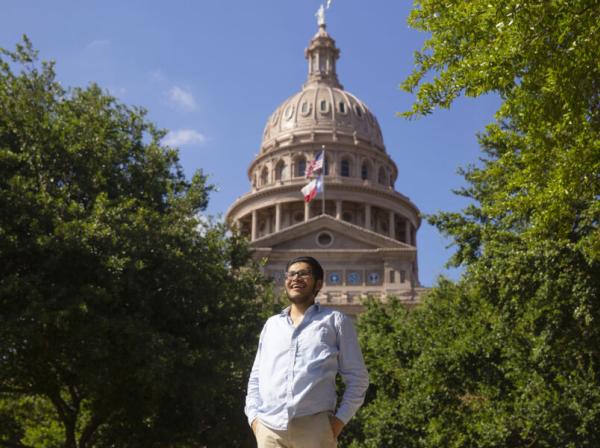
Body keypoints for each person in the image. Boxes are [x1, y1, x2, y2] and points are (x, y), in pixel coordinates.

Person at [245, 256, 369, 447]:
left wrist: (337, 423)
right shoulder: (271, 325)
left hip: (315, 429)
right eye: (291, 274)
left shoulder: (335, 321)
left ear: (318, 284)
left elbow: (358, 377)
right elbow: (256, 376)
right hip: (269, 429)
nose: (296, 278)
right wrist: (254, 419)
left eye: (303, 274)